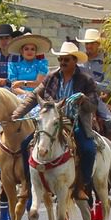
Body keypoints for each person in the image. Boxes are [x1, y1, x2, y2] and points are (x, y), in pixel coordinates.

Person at [27, 40, 100, 199]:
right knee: (24, 144)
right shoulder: (51, 77)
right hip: (51, 121)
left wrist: (83, 100)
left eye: (66, 60)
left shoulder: (86, 80)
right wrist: (16, 114)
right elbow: (35, 96)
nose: (62, 62)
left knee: (88, 149)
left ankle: (82, 185)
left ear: (74, 60)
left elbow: (94, 104)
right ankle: (29, 184)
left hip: (75, 122)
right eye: (60, 59)